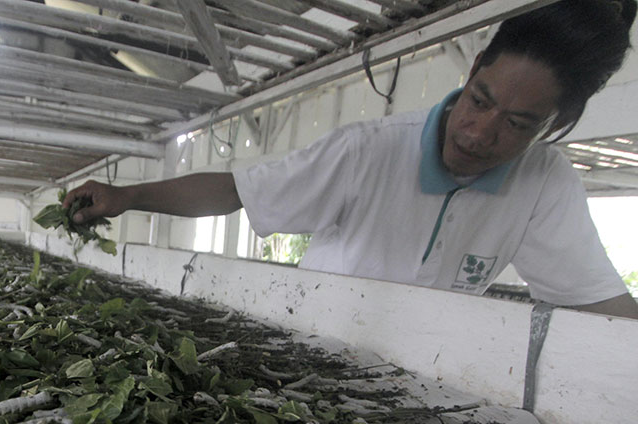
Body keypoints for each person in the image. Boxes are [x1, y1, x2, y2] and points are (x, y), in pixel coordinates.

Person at [62, 0, 638, 319]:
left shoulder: (544, 183)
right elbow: (239, 190)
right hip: (313, 348)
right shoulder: (369, 151)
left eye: (517, 124)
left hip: (425, 381)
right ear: (475, 65)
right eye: (480, 101)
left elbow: (601, 306)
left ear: (555, 124)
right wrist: (129, 196)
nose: (479, 133)